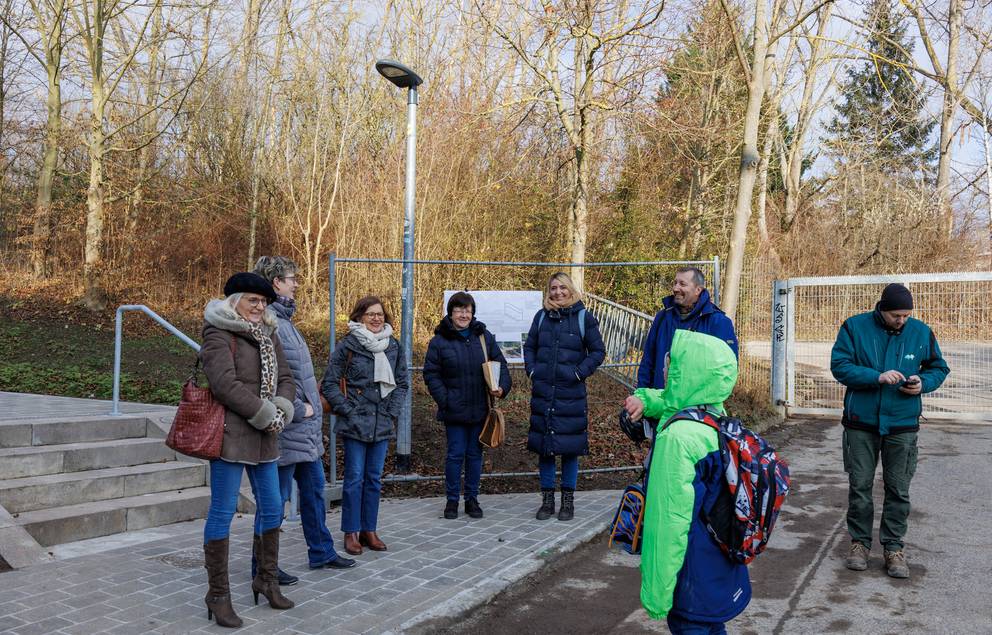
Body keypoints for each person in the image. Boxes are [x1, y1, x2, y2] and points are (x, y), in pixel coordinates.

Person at [623, 330, 749, 634]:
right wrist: (643, 399)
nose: (665, 367)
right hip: (715, 560)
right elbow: (672, 399)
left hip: (688, 573)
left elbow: (669, 522)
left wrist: (657, 594)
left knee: (691, 625)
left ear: (688, 373)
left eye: (673, 363)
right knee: (711, 624)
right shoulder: (713, 416)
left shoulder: (677, 440)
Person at [830, 283, 949, 579]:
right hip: (861, 423)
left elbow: (938, 367)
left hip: (902, 424)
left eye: (907, 315)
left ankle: (894, 548)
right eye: (897, 315)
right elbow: (839, 366)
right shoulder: (854, 328)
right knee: (860, 486)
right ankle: (859, 544)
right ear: (882, 309)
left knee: (898, 489)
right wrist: (876, 377)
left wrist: (923, 383)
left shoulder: (921, 332)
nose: (902, 321)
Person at [200, 272, 295, 628]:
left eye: (264, 301)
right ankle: (218, 595)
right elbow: (223, 383)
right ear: (234, 300)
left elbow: (286, 377)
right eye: (253, 300)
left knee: (272, 508)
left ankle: (266, 580)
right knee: (222, 512)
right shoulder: (218, 332)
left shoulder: (269, 333)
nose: (259, 306)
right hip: (230, 435)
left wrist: (281, 408)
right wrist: (262, 412)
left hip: (266, 435)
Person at [253, 256, 356, 572]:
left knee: (313, 495)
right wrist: (300, 408)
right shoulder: (269, 323)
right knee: (275, 504)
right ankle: (263, 567)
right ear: (276, 283)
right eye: (291, 279)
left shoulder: (284, 322)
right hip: (287, 431)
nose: (296, 283)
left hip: (305, 433)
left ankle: (321, 552)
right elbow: (269, 379)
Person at [321, 296, 409, 556]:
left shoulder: (392, 346)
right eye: (370, 314)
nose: (376, 318)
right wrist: (349, 410)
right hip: (355, 424)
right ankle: (350, 532)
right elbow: (329, 383)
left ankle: (369, 530)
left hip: (382, 423)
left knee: (373, 479)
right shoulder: (348, 345)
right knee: (354, 479)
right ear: (359, 317)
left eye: (380, 314)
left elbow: (402, 383)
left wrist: (392, 412)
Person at [524, 272, 605, 521]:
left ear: (571, 290)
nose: (558, 292)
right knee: (545, 449)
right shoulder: (541, 318)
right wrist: (533, 370)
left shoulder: (583, 317)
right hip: (544, 393)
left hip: (571, 395)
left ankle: (567, 502)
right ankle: (547, 501)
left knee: (570, 450)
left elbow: (598, 351)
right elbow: (530, 347)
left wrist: (579, 373)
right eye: (553, 288)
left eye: (562, 287)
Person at [423, 292, 512, 520]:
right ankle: (452, 501)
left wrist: (501, 388)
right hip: (454, 411)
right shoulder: (439, 341)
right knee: (455, 455)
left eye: (467, 310)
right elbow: (432, 375)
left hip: (480, 409)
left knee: (474, 455)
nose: (463, 314)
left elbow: (500, 364)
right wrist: (446, 400)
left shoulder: (483, 337)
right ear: (450, 313)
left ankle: (472, 499)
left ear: (473, 313)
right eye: (458, 310)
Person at [636, 267, 738, 390]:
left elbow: (727, 370)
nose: (675, 288)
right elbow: (648, 360)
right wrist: (641, 395)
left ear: (698, 290)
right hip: (659, 401)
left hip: (695, 405)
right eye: (675, 283)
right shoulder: (662, 317)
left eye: (682, 284)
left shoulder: (718, 322)